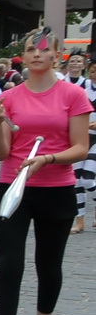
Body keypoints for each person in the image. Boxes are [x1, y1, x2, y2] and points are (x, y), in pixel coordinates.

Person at [0, 30, 91, 315]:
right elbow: (1, 151)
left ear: (56, 56)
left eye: (44, 50)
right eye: (31, 49)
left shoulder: (73, 95)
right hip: (13, 185)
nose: (36, 54)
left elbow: (80, 148)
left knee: (48, 265)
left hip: (56, 188)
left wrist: (47, 159)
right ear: (24, 55)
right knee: (10, 263)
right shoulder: (10, 97)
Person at [64, 52, 96, 233]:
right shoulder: (81, 88)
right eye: (92, 71)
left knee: (87, 178)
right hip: (81, 136)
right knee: (76, 180)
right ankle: (80, 221)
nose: (93, 74)